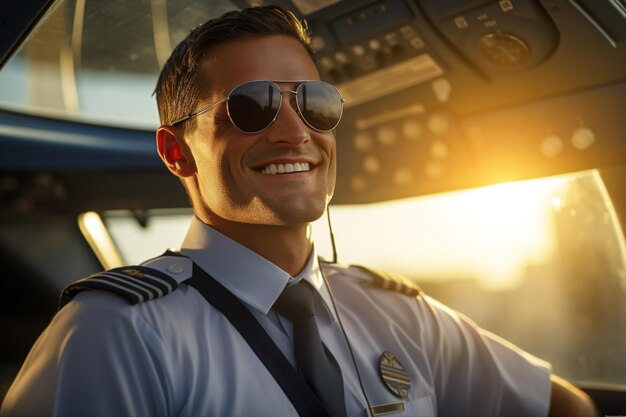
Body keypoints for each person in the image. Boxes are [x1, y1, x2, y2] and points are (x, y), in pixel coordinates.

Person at [1, 5, 599, 417]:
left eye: (314, 102)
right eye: (252, 106)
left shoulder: (397, 314)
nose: (295, 132)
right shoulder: (117, 333)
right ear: (177, 150)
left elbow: (566, 406)